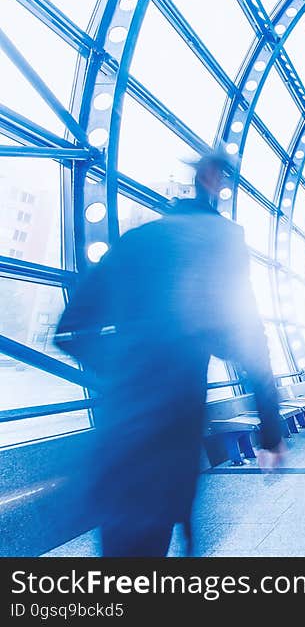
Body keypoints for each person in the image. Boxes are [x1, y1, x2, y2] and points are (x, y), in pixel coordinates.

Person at [54, 151, 285, 557]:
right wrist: (270, 431)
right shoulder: (221, 241)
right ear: (213, 181)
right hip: (169, 441)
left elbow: (70, 329)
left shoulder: (138, 240)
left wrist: (127, 374)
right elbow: (249, 338)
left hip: (115, 439)